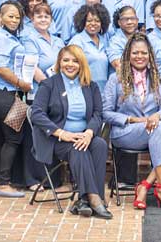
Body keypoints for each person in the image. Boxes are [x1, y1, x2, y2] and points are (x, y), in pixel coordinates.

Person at [103, 33, 161, 210]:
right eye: (135, 53)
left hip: (152, 131)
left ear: (150, 56)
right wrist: (133, 119)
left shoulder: (157, 79)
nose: (139, 57)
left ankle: (145, 185)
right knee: (159, 127)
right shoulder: (115, 79)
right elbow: (106, 113)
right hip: (125, 132)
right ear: (127, 55)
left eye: (144, 53)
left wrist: (157, 116)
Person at [30, 45, 112, 219]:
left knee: (99, 144)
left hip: (84, 136)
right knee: (78, 149)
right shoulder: (49, 84)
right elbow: (36, 113)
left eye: (75, 61)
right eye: (66, 60)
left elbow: (98, 113)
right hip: (55, 140)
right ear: (59, 62)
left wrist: (89, 132)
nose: (70, 64)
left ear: (81, 64)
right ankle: (95, 199)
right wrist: (61, 133)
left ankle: (83, 200)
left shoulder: (91, 86)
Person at [0, 1, 33, 198]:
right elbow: (0, 67)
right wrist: (22, 84)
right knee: (14, 136)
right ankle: (3, 184)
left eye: (17, 17)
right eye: (10, 16)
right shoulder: (1, 37)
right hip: (5, 91)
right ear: (0, 17)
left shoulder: (4, 36)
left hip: (4, 92)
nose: (14, 20)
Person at [19, 3, 65, 190]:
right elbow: (32, 66)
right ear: (32, 19)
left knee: (51, 134)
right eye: (39, 16)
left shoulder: (58, 41)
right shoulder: (29, 39)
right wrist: (48, 86)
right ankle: (33, 179)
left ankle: (52, 179)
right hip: (39, 93)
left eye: (46, 16)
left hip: (58, 94)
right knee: (35, 136)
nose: (43, 19)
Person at [69, 3, 111, 90]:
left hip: (103, 91)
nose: (93, 23)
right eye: (89, 21)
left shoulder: (104, 40)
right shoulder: (77, 41)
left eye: (97, 21)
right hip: (84, 90)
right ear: (83, 22)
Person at [107, 6, 140, 71]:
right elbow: (118, 65)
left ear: (137, 20)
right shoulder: (114, 41)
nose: (129, 22)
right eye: (125, 19)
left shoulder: (143, 38)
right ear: (119, 22)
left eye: (132, 18)